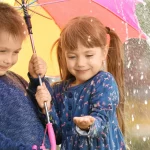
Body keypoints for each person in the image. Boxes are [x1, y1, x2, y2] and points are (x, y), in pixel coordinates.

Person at [31, 16, 126, 149]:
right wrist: (46, 108)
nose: (80, 63)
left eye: (89, 55)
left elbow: (101, 119)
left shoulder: (104, 82)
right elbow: (57, 136)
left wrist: (90, 124)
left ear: (104, 52)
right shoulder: (59, 91)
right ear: (64, 54)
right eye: (72, 56)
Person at [0, 2, 50, 149]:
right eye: (2, 51)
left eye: (16, 52)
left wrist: (36, 81)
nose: (9, 59)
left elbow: (48, 125)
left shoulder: (16, 79)